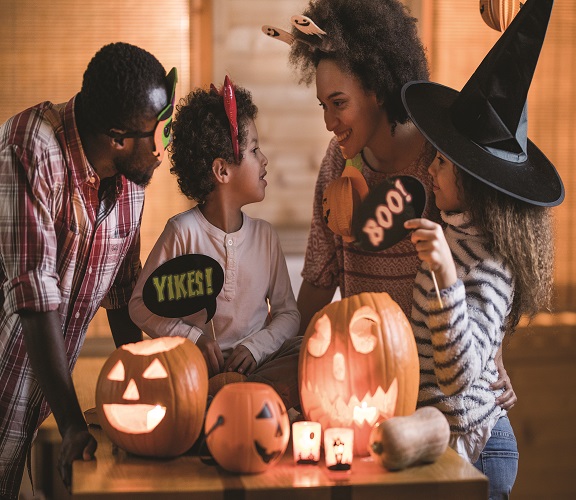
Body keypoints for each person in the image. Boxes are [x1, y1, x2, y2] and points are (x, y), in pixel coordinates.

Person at [264, 0, 516, 409]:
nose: (329, 121)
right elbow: (320, 276)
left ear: (378, 90)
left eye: (339, 103)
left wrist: (494, 354)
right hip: (364, 378)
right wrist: (282, 354)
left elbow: (484, 264)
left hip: (434, 388)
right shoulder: (337, 163)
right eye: (323, 105)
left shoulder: (440, 164)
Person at [0, 42, 176, 498]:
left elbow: (119, 294)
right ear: (117, 137)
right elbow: (36, 298)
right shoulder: (31, 149)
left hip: (39, 407)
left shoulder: (131, 183)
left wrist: (153, 387)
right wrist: (74, 426)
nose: (164, 146)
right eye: (158, 132)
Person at [401, 0, 563, 496]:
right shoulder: (455, 234)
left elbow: (459, 376)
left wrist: (447, 278)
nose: (430, 169)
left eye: (443, 164)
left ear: (474, 184)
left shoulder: (487, 266)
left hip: (478, 448)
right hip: (440, 439)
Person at [128, 79, 301, 408]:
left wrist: (256, 347)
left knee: (308, 350)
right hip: (195, 371)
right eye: (253, 150)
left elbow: (288, 314)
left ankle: (230, 402)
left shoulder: (265, 237)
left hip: (257, 368)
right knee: (163, 377)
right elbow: (140, 305)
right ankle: (230, 404)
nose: (264, 159)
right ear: (222, 170)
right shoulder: (182, 232)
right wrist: (192, 339)